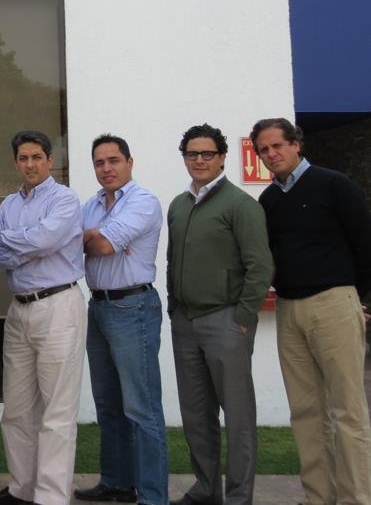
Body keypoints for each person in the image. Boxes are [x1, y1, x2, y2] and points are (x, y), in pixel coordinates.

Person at [251, 117, 371, 505]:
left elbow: (364, 242)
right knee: (305, 412)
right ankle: (319, 497)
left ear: (296, 144)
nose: (271, 154)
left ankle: (356, 499)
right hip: (289, 309)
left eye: (277, 145)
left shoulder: (335, 185)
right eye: (264, 149)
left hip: (333, 302)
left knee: (348, 410)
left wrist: (358, 299)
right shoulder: (269, 201)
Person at [167, 124, 273, 505]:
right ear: (185, 158)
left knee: (238, 417)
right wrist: (173, 307)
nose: (199, 160)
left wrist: (243, 317)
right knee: (196, 414)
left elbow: (260, 267)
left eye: (207, 153)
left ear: (222, 157)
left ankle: (239, 497)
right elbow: (172, 260)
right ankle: (206, 489)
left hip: (226, 321)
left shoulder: (240, 205)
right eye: (192, 153)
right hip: (185, 323)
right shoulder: (179, 205)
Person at [0, 131, 85, 505]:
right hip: (19, 309)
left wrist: (21, 243)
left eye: (37, 157)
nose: (30, 164)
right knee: (17, 408)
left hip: (58, 306)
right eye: (23, 158)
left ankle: (51, 497)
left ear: (50, 160)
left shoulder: (65, 199)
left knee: (57, 411)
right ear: (15, 162)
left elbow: (45, 241)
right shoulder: (9, 205)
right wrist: (29, 245)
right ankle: (21, 489)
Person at [75, 134, 166, 505]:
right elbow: (72, 243)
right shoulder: (91, 205)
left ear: (130, 162)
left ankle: (153, 495)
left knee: (141, 407)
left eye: (113, 160)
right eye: (99, 163)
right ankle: (117, 482)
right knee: (108, 404)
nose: (106, 168)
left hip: (133, 307)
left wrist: (95, 239)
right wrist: (93, 237)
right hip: (98, 307)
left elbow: (102, 245)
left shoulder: (143, 201)